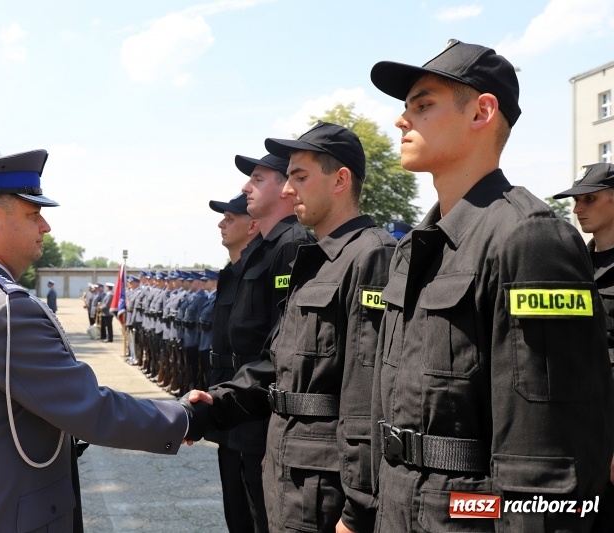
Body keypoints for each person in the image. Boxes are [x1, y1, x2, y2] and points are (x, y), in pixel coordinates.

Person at [368, 40, 613, 531]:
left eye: (422, 104)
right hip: (399, 510)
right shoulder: (416, 247)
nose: (401, 120)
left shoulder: (530, 238)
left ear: (482, 112)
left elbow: (546, 458)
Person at [0, 149, 206, 532]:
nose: (45, 226)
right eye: (33, 214)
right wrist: (184, 418)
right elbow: (90, 409)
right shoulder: (2, 310)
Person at [186, 123, 396, 533]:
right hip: (290, 469)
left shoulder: (372, 255)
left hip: (328, 486)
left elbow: (369, 396)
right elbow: (282, 365)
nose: (286, 190)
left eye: (299, 177)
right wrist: (219, 404)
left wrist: (359, 508)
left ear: (340, 180)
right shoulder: (316, 259)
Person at [553, 162, 614, 532]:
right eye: (576, 200)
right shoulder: (574, 264)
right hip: (572, 433)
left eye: (589, 199)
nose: (578, 209)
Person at [205, 191, 259, 533]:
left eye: (230, 218)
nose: (221, 223)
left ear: (252, 225)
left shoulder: (261, 271)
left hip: (250, 405)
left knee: (254, 507)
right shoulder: (230, 273)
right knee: (234, 508)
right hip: (226, 405)